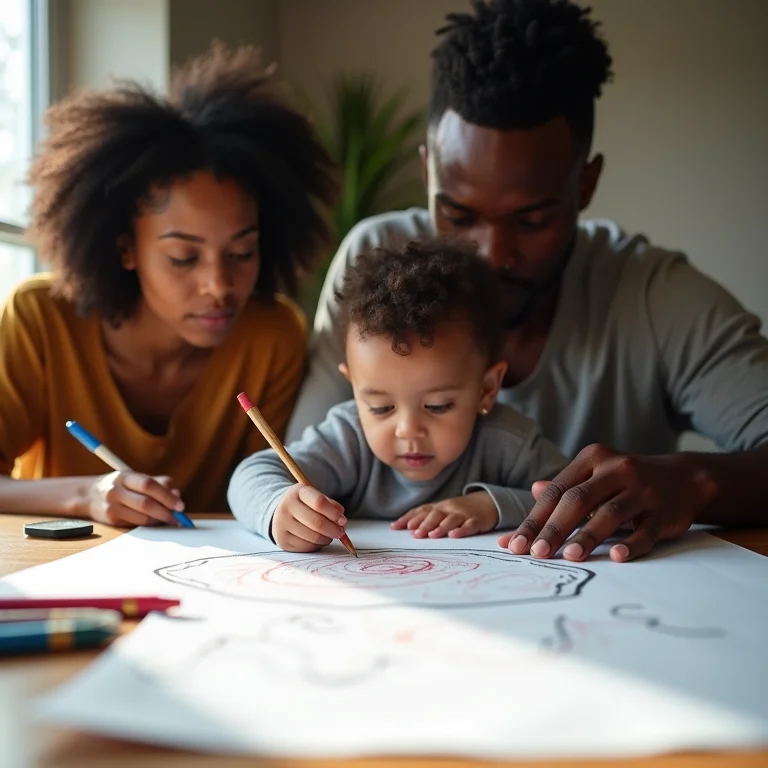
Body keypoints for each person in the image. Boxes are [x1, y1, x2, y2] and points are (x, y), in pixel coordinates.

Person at [286, 0, 768, 563]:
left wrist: (693, 481)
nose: (492, 255)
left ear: (584, 186)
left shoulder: (655, 297)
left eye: (532, 219)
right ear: (427, 174)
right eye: (459, 215)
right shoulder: (374, 261)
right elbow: (297, 469)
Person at [0, 44, 337, 527]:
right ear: (125, 249)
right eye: (183, 257)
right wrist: (87, 496)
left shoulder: (272, 335)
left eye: (242, 253)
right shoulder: (39, 318)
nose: (219, 286)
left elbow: (267, 487)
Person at [228, 239, 567, 552]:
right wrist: (278, 507)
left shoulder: (507, 441)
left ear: (487, 388)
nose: (407, 429)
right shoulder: (349, 439)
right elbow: (251, 475)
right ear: (354, 387)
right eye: (380, 407)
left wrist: (493, 506)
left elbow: (572, 500)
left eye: (438, 405)